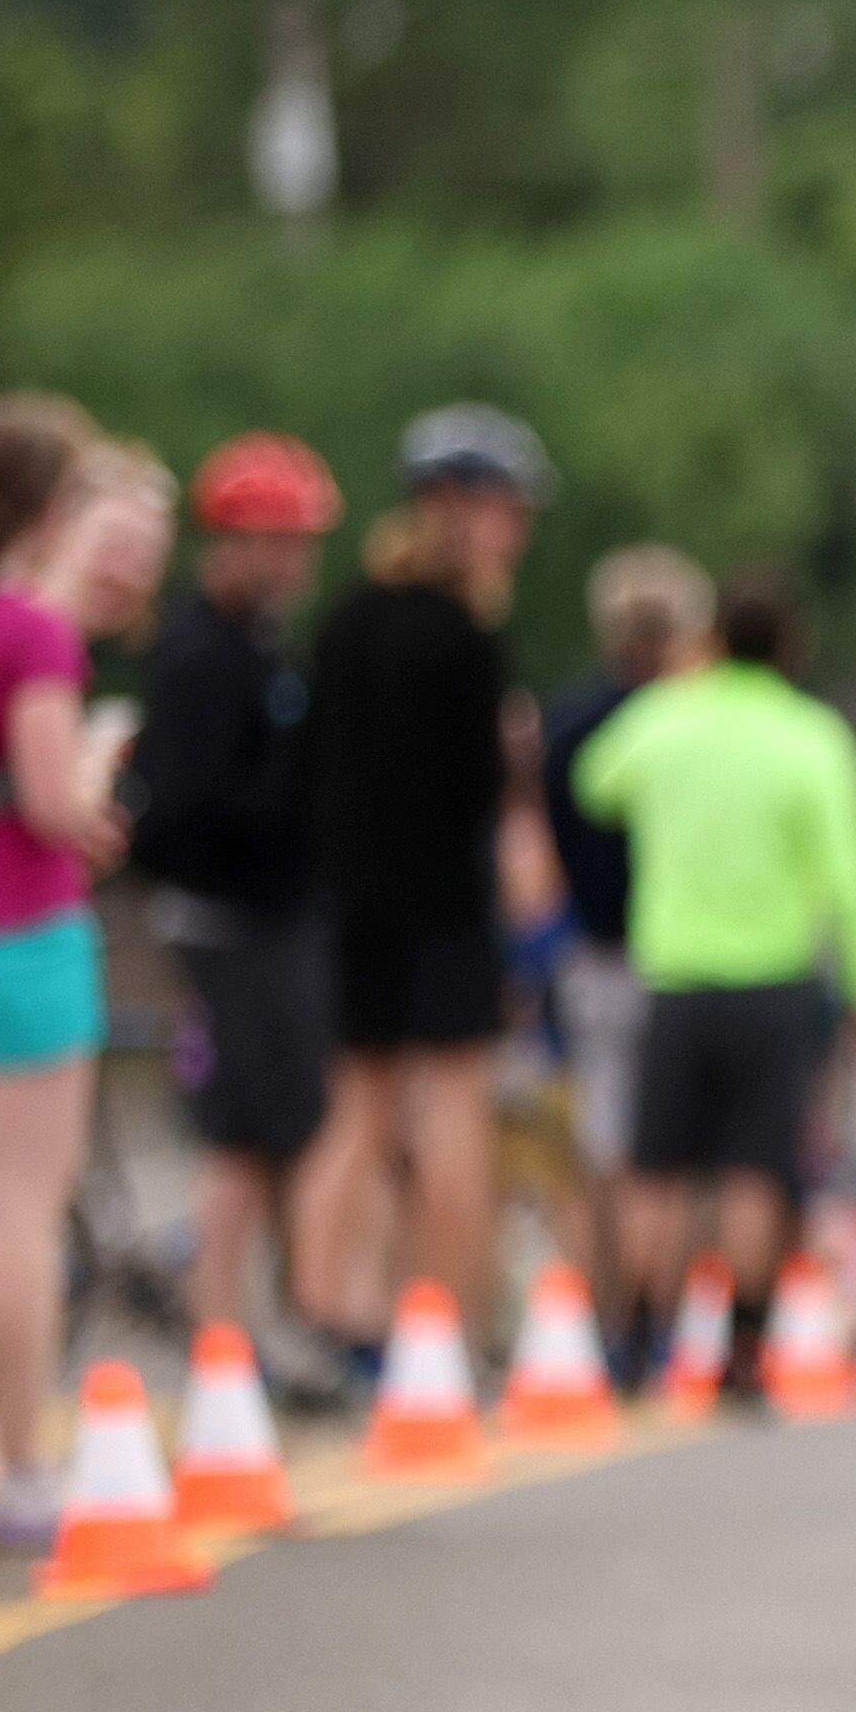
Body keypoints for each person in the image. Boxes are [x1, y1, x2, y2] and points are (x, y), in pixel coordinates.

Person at [575, 569, 856, 1392]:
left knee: (659, 1166)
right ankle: (744, 1344)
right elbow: (853, 876)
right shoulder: (811, 736)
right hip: (774, 977)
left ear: (712, 638)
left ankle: (637, 1331)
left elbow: (594, 783)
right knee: (756, 1167)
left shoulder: (671, 715)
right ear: (794, 648)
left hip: (676, 971)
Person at [0, 420, 153, 1543]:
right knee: (22, 1211)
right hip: (17, 932)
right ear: (52, 513)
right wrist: (101, 774)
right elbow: (51, 800)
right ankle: (22, 1467)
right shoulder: (29, 631)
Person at [295, 403, 554, 1352]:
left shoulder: (347, 619)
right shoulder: (463, 633)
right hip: (445, 905)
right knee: (454, 1113)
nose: (516, 530)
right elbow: (481, 789)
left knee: (359, 1112)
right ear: (460, 507)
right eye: (508, 509)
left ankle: (322, 1308)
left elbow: (311, 767)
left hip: (356, 904)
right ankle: (446, 1319)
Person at [126, 433, 347, 1364]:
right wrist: (304, 805)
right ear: (232, 543)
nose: (294, 564)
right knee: (256, 1128)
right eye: (278, 543)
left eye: (302, 545)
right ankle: (236, 1325)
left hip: (266, 912)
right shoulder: (202, 655)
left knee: (262, 1126)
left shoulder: (259, 645)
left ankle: (244, 1325)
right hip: (231, 919)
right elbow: (192, 802)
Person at [538, 544, 708, 1360]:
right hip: (679, 955)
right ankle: (656, 1308)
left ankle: (602, 1308)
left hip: (592, 948)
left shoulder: (569, 723)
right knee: (668, 1152)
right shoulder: (691, 726)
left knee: (603, 1144)